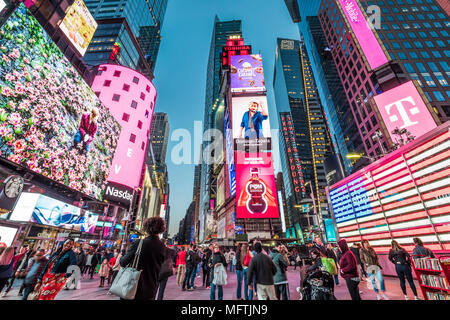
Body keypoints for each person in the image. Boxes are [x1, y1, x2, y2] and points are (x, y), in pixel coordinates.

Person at [119, 217, 166, 300]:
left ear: (146, 228)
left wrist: (121, 255)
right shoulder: (162, 246)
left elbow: (123, 262)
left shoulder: (139, 243)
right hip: (150, 289)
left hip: (133, 287)